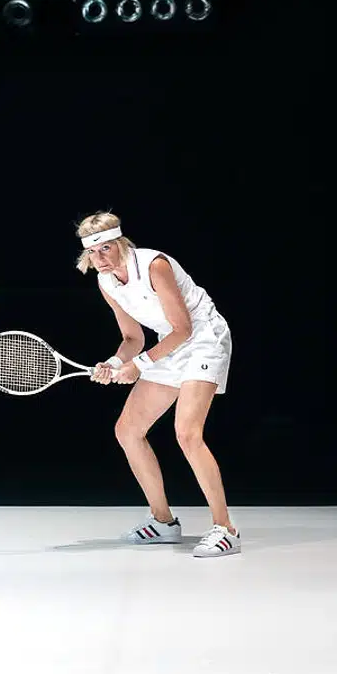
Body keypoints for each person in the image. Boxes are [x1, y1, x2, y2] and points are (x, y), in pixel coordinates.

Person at [76, 211, 241, 558]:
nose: (99, 258)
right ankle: (163, 522)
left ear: (120, 242)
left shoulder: (154, 265)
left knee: (188, 433)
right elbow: (132, 338)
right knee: (127, 430)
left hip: (204, 339)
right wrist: (115, 363)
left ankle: (226, 529)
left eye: (105, 248)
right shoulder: (106, 282)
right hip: (169, 343)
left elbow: (184, 329)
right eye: (92, 251)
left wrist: (139, 366)